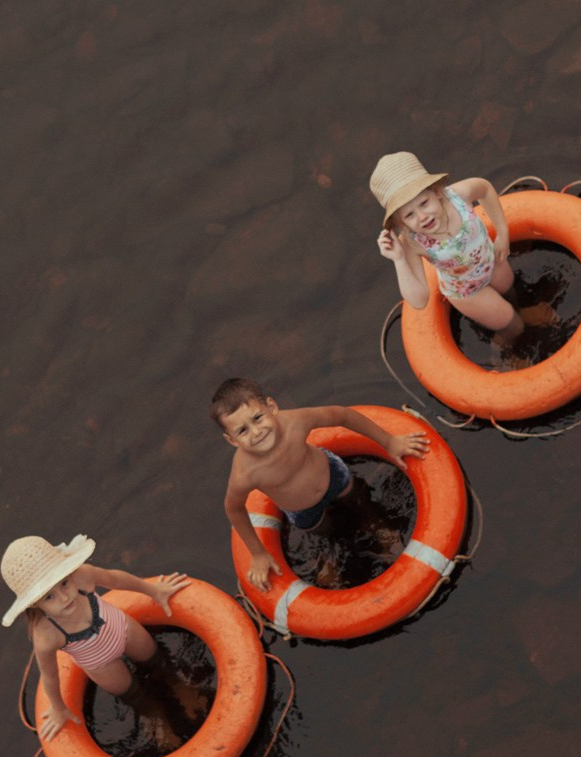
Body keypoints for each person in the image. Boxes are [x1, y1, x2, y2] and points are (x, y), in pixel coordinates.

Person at [210, 378, 430, 592]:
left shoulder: (296, 422)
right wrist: (258, 553)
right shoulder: (245, 473)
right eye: (243, 431)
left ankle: (377, 528)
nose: (256, 432)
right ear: (232, 440)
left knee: (361, 503)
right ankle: (327, 558)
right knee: (325, 533)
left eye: (258, 418)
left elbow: (342, 415)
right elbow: (234, 508)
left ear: (271, 407)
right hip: (302, 510)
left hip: (334, 477)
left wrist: (389, 442)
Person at [0, 534, 192, 741]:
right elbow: (50, 675)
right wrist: (58, 707)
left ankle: (181, 688)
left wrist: (153, 591)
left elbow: (115, 579)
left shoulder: (82, 576)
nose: (64, 597)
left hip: (124, 630)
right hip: (100, 663)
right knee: (132, 694)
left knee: (157, 659)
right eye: (49, 596)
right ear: (34, 604)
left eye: (64, 583)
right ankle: (155, 717)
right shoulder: (46, 634)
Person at [370, 150, 555, 343]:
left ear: (436, 192)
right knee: (511, 322)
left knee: (509, 288)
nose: (422, 217)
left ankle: (523, 312)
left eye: (424, 203)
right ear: (401, 223)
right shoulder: (411, 242)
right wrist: (399, 259)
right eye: (409, 215)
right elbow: (419, 301)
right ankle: (503, 343)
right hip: (467, 291)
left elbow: (485, 188)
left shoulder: (458, 196)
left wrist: (502, 233)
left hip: (490, 261)